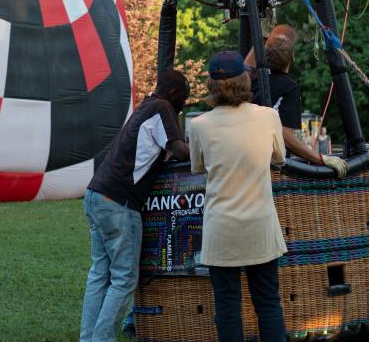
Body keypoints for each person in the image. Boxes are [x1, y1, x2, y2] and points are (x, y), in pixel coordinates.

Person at [80, 70, 190, 342]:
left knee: (99, 275)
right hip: (119, 203)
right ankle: (101, 339)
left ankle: (88, 338)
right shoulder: (163, 107)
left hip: (96, 194)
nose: (184, 106)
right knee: (124, 279)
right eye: (185, 100)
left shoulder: (145, 106)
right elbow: (180, 150)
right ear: (175, 95)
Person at [188, 51, 287, 342]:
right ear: (245, 81)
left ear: (212, 84)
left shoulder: (199, 125)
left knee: (227, 305)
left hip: (222, 227)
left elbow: (197, 167)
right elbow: (279, 158)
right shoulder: (269, 116)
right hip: (260, 222)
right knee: (268, 302)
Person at [246, 24, 348, 178]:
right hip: (271, 168)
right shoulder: (290, 87)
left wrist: (264, 38)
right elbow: (285, 136)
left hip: (247, 159)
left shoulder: (253, 79)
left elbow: (247, 65)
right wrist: (320, 158)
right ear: (292, 57)